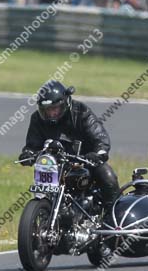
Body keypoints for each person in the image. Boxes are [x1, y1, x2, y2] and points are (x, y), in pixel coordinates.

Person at [19, 80, 120, 211]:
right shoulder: (37, 119)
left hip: (85, 161)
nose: (51, 113)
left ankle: (114, 216)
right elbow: (33, 145)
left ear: (64, 103)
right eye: (47, 110)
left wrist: (98, 154)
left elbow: (100, 137)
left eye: (54, 109)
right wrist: (28, 154)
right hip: (54, 165)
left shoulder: (81, 112)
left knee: (107, 175)